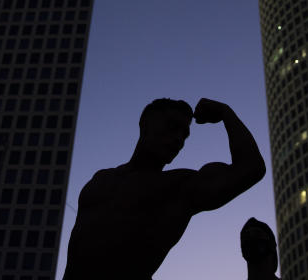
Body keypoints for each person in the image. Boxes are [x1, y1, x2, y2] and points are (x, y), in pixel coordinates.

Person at [63, 97, 266, 279]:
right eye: (172, 127)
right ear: (145, 124)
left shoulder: (178, 187)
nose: (179, 139)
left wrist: (225, 112)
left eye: (184, 135)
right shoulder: (100, 180)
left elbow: (251, 168)